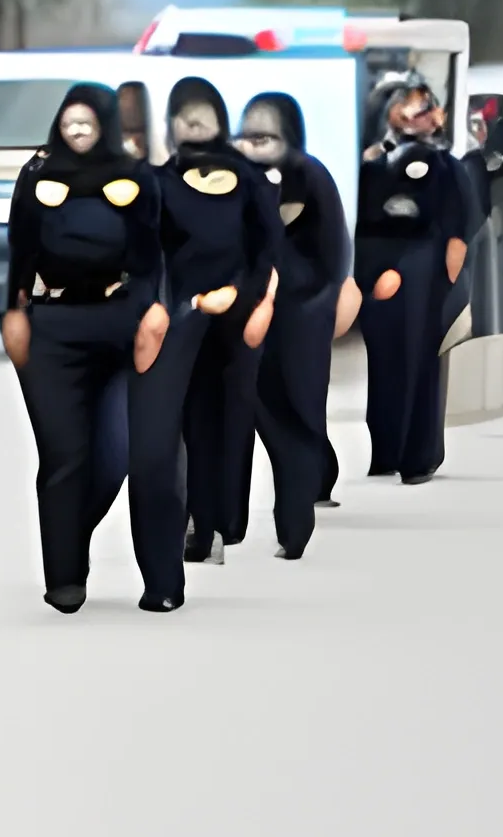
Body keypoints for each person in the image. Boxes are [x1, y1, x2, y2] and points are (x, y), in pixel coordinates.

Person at [0, 82, 166, 611]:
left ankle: (71, 530)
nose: (77, 131)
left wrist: (149, 309)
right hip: (53, 325)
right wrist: (13, 310)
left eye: (87, 122)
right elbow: (19, 246)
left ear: (105, 126)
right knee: (64, 454)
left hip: (118, 321)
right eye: (69, 122)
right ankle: (64, 576)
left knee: (115, 452)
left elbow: (149, 254)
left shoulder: (136, 176)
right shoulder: (38, 175)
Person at [150, 76, 280, 579]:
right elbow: (148, 249)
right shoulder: (160, 180)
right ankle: (190, 524)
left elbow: (267, 246)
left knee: (228, 419)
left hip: (237, 317)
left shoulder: (247, 178)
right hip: (181, 315)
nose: (194, 122)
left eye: (203, 112)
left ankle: (221, 524)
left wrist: (248, 299)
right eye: (186, 113)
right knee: (180, 420)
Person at [232, 93, 360, 559]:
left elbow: (332, 252)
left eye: (265, 132)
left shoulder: (309, 174)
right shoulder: (238, 176)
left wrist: (322, 299)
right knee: (244, 413)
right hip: (250, 312)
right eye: (248, 132)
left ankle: (296, 519)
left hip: (301, 312)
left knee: (300, 410)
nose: (253, 141)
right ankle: (227, 524)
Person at [354, 76, 466, 484]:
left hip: (419, 272)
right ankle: (386, 449)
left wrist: (437, 286)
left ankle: (418, 457)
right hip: (377, 271)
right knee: (383, 365)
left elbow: (455, 233)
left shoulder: (443, 166)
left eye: (425, 105)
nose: (421, 113)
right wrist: (371, 277)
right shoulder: (370, 165)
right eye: (410, 105)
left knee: (419, 360)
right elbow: (361, 224)